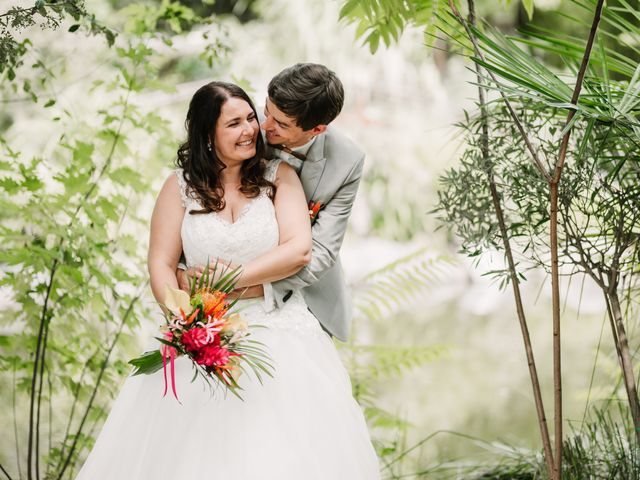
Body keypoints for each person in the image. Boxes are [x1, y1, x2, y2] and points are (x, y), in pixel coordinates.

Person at [75, 81, 380, 479]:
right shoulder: (178, 187)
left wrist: (224, 281)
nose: (252, 129)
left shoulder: (279, 175)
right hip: (201, 332)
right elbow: (161, 264)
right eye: (234, 123)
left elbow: (299, 250)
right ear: (207, 134)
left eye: (251, 118)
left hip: (277, 328)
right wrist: (186, 320)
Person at [178, 63, 364, 341]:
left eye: (281, 124)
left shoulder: (347, 162)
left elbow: (321, 251)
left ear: (317, 129)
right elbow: (197, 196)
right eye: (266, 111)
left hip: (303, 299)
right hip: (209, 302)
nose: (264, 127)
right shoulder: (244, 131)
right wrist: (183, 272)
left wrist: (246, 287)